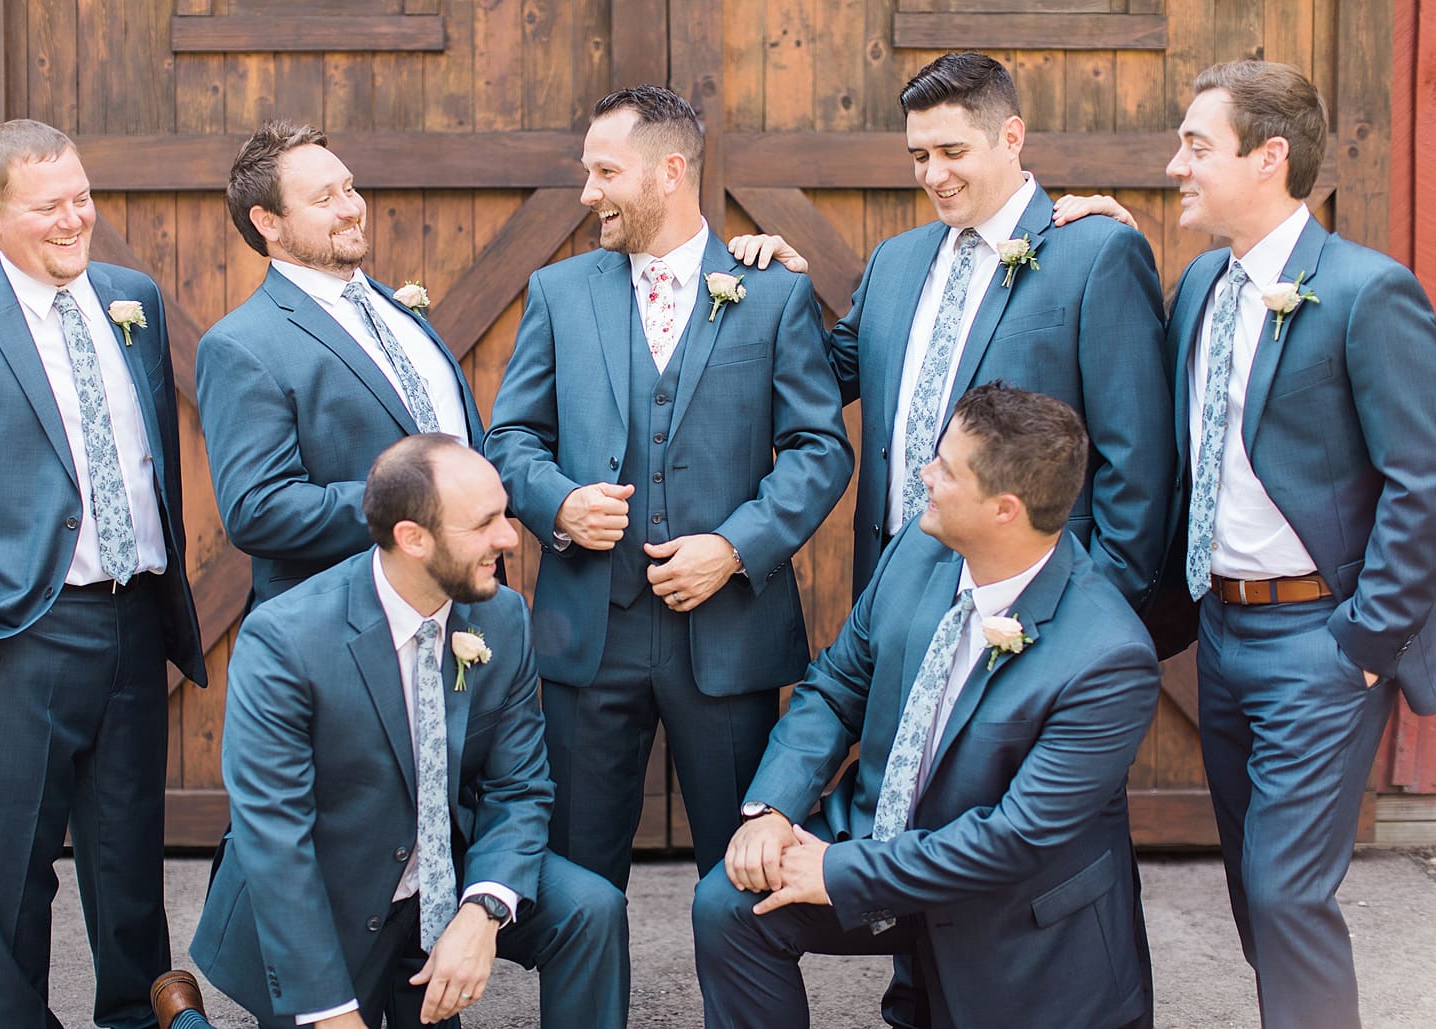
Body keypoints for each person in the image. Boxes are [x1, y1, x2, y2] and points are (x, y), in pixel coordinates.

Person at [692, 383, 1159, 1029]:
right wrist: (773, 808)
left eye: (945, 467)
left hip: (1009, 910)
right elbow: (835, 686)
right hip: (877, 834)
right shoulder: (919, 546)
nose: (922, 474)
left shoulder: (1107, 656)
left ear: (1004, 509)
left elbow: (1013, 839)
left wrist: (840, 867)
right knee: (728, 902)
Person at [484, 85, 852, 892]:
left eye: (604, 172)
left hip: (727, 635)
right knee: (575, 882)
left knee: (747, 879)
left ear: (670, 171)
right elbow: (508, 438)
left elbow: (819, 449)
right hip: (588, 633)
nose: (588, 194)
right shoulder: (559, 291)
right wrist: (556, 504)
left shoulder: (771, 292)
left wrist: (732, 546)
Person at [0, 119, 206, 1028]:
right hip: (10, 639)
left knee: (130, 865)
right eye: (48, 207)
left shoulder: (133, 300)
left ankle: (134, 1017)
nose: (75, 221)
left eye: (81, 197)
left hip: (133, 621)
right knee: (16, 876)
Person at [1160, 60, 1436, 1028]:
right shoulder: (1200, 286)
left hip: (1320, 640)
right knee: (1252, 889)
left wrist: (1365, 643)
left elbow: (1423, 480)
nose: (1174, 165)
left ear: (1270, 156)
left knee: (1285, 893)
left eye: (1196, 145)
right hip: (1221, 635)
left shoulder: (1367, 291)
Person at [190, 434, 628, 1029]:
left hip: (447, 870)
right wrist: (328, 1011)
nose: (509, 538)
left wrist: (484, 909)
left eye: (505, 514)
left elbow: (519, 789)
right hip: (330, 904)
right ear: (412, 538)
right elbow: (275, 837)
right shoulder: (285, 640)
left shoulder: (503, 616)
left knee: (590, 908)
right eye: (484, 524)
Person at [732, 51, 1171, 607]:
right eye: (919, 155)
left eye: (952, 151)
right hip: (888, 580)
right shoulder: (895, 260)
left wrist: (1099, 607)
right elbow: (823, 379)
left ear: (1011, 137)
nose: (933, 175)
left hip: (1029, 587)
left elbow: (1137, 460)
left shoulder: (1095, 252)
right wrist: (780, 293)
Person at [197, 120, 483, 607]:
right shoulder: (240, 344)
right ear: (269, 222)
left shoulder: (397, 307)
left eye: (349, 188)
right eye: (324, 199)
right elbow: (259, 509)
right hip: (346, 617)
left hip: (466, 604)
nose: (351, 209)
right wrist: (418, 505)